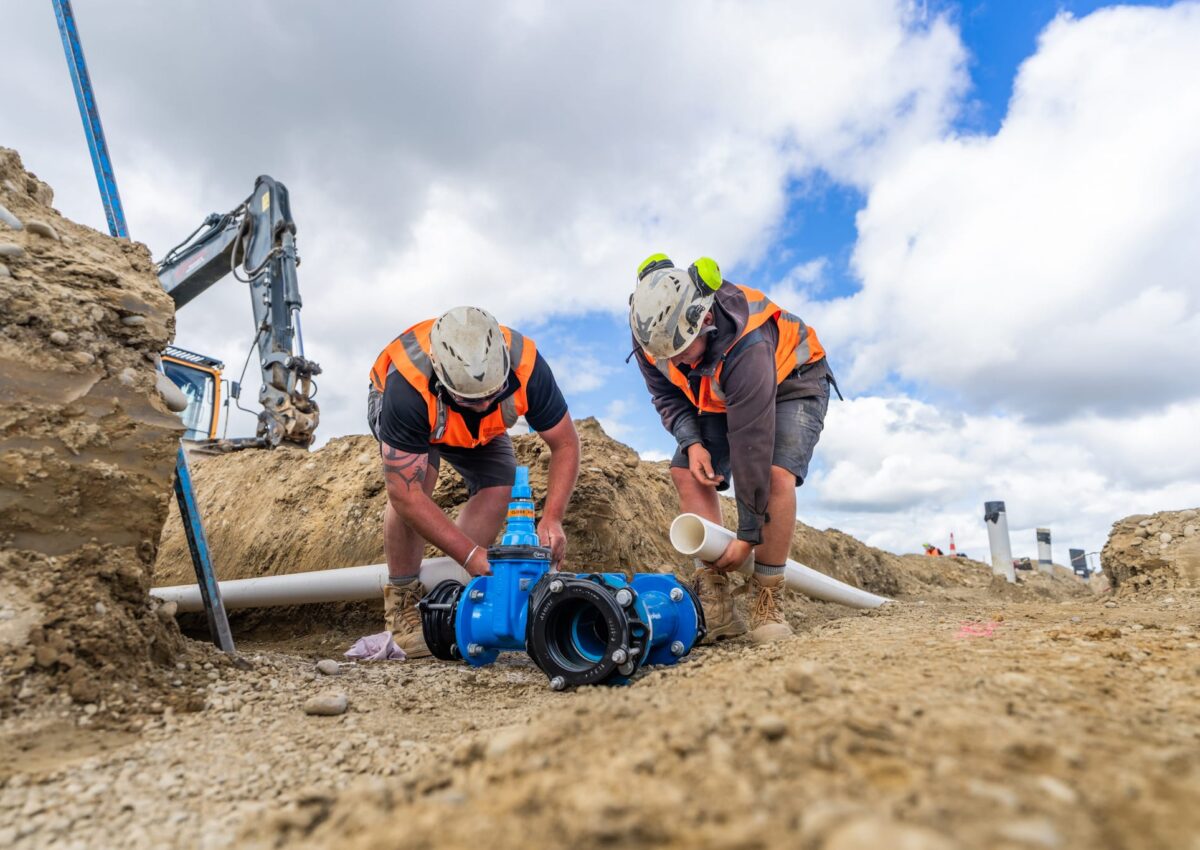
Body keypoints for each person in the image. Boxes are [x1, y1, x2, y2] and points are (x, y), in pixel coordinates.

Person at [629, 255, 836, 644]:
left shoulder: (747, 343)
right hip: (720, 388)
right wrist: (691, 443)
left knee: (775, 474)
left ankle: (767, 599)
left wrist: (747, 536)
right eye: (665, 356)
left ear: (704, 321)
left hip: (794, 379)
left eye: (681, 352)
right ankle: (717, 606)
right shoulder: (651, 328)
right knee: (684, 470)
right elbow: (667, 395)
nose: (673, 363)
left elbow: (751, 444)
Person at [367, 306, 580, 657]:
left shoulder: (526, 364)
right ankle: (404, 603)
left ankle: (461, 598)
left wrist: (553, 517)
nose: (481, 407)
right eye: (470, 399)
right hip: (420, 412)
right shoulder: (406, 387)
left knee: (501, 484)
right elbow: (405, 495)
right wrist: (469, 554)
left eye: (490, 396)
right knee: (418, 480)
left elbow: (566, 443)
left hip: (460, 418)